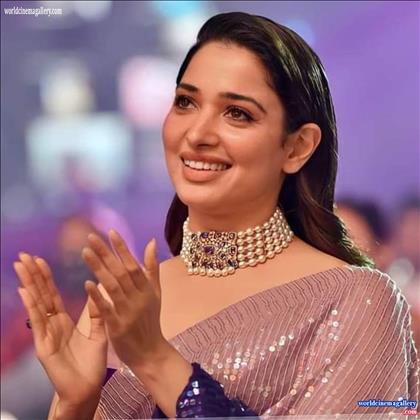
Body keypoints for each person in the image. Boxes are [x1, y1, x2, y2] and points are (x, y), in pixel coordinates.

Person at [14, 11, 419, 419]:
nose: (197, 134)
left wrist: (156, 359)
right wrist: (74, 403)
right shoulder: (118, 305)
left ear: (297, 147)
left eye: (237, 113)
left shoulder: (356, 299)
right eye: (186, 102)